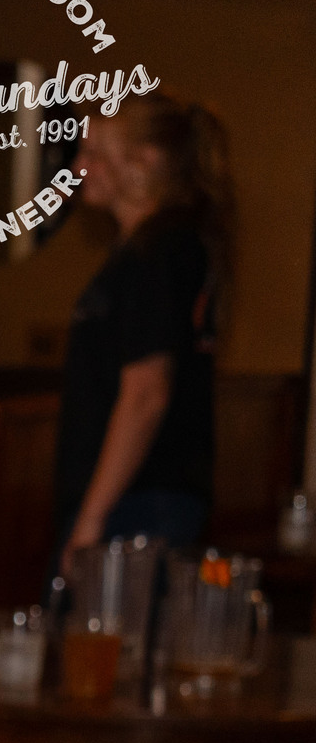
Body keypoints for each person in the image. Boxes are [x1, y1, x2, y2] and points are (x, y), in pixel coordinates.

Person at [55, 92, 230, 557]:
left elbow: (146, 393)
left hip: (139, 503)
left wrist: (91, 520)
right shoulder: (150, 251)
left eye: (94, 154)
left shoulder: (161, 252)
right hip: (137, 499)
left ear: (143, 162)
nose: (79, 168)